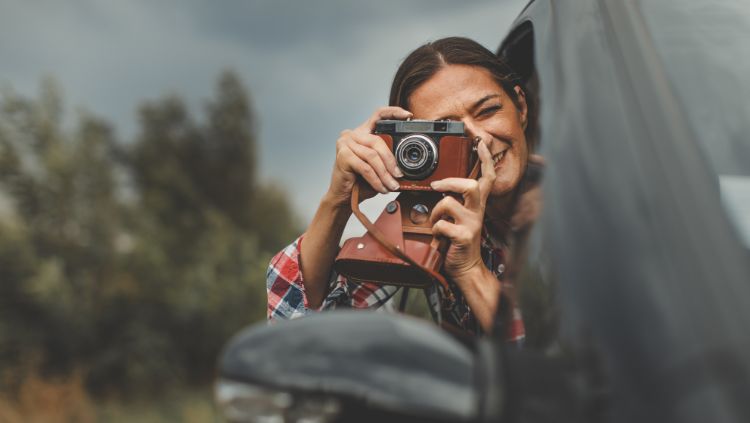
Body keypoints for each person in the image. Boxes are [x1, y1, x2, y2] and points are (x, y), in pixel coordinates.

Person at [267, 37, 533, 338]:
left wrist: (469, 270)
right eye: (447, 130)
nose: (479, 139)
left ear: (520, 107)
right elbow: (300, 335)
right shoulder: (433, 219)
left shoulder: (581, 191)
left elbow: (563, 366)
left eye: (487, 111)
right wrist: (338, 200)